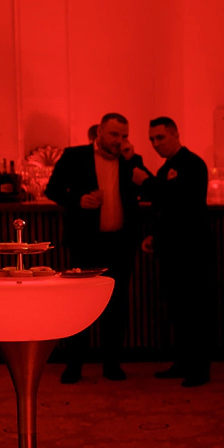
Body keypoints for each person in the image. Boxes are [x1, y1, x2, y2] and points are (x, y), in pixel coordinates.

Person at [45, 112, 145, 383]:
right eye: (114, 134)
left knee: (118, 304)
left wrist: (132, 160)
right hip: (86, 243)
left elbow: (147, 188)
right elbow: (52, 190)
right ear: (99, 131)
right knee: (80, 304)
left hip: (121, 243)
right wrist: (78, 200)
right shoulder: (74, 156)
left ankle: (112, 364)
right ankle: (74, 365)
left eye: (124, 135)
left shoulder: (130, 160)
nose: (119, 140)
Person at [135, 117, 214, 387]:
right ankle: (183, 362)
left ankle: (199, 368)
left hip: (191, 248)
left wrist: (145, 183)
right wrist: (155, 235)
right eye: (152, 139)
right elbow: (164, 209)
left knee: (194, 309)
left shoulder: (193, 164)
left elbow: (181, 201)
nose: (156, 144)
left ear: (175, 134)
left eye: (160, 138)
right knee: (178, 308)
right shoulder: (166, 168)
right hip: (172, 247)